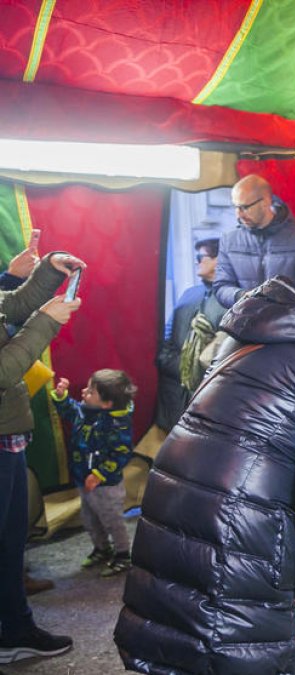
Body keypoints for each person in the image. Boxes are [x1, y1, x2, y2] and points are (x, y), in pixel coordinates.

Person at [114, 259, 295, 674]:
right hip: (239, 520)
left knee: (171, 624)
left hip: (173, 497)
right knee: (234, 644)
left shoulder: (252, 330)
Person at [0, 251, 84, 665]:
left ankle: (15, 627)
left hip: (6, 431)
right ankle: (12, 631)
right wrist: (48, 320)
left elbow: (9, 304)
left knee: (11, 539)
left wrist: (49, 270)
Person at [50, 370, 136, 577]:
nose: (84, 392)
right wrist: (62, 398)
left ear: (106, 404)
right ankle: (102, 548)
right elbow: (73, 411)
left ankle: (123, 554)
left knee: (111, 519)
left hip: (105, 486)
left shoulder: (116, 425)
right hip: (83, 478)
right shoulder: (89, 411)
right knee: (89, 518)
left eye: (90, 391)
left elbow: (121, 454)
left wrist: (98, 474)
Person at [212, 174, 295, 308]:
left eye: (244, 207)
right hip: (247, 323)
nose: (239, 214)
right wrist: (241, 296)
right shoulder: (229, 240)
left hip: (290, 324)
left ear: (265, 202)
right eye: (236, 207)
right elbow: (221, 287)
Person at [153, 238, 226, 432]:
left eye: (201, 257)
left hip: (208, 394)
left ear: (219, 260)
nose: (197, 261)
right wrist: (174, 365)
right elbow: (168, 336)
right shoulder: (189, 294)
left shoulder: (230, 300)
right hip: (174, 388)